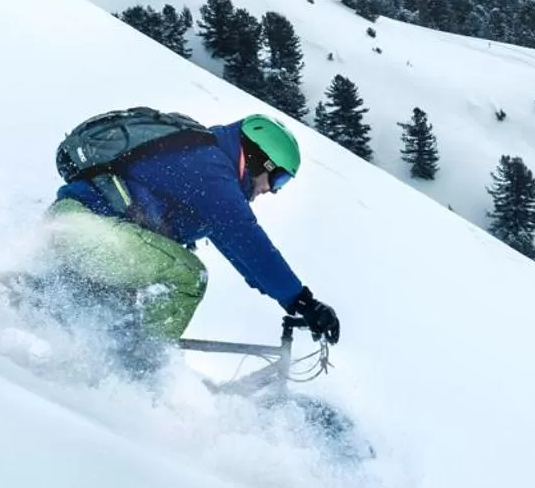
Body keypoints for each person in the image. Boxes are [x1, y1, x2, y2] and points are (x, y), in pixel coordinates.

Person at [43, 112, 340, 356]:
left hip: (82, 229)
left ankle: (97, 348)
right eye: (279, 178)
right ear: (262, 160)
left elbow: (240, 254)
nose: (272, 190)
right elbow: (248, 240)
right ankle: (135, 367)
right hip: (88, 229)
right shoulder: (210, 167)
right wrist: (302, 300)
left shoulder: (205, 165)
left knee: (120, 306)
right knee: (188, 276)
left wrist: (293, 300)